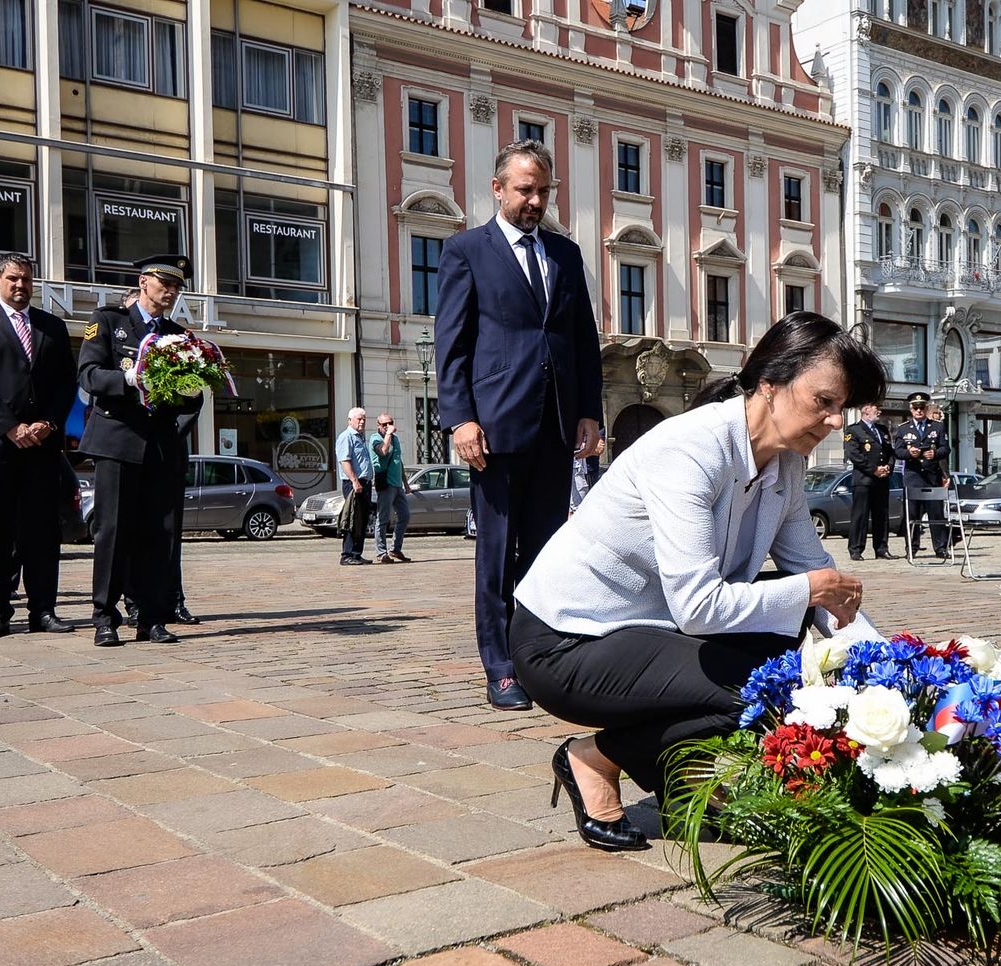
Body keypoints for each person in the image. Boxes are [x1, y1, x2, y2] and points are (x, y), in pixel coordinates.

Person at [511, 312, 882, 850]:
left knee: (789, 636)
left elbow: (819, 578)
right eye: (823, 401)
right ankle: (595, 759)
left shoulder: (785, 465)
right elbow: (699, 607)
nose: (834, 422)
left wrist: (893, 667)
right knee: (761, 685)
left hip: (647, 633)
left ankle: (681, 782)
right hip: (566, 642)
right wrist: (812, 590)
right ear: (770, 382)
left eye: (841, 407)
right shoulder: (691, 449)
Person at [435, 138, 604, 711]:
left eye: (543, 191)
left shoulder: (565, 254)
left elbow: (582, 339)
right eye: (525, 190)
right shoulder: (466, 251)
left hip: (556, 426)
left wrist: (589, 411)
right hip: (494, 429)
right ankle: (500, 667)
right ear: (498, 189)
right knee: (496, 554)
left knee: (545, 554)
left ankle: (537, 657)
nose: (535, 201)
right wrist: (460, 419)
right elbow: (452, 345)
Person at [77, 254, 205, 647]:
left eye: (177, 287)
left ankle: (150, 617)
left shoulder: (177, 336)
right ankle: (105, 617)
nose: (171, 292)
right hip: (118, 439)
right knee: (113, 531)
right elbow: (89, 375)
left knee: (158, 533)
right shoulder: (109, 320)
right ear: (143, 282)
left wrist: (190, 391)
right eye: (165, 283)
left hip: (160, 444)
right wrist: (128, 378)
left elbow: (191, 399)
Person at [0, 253, 77, 638]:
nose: (20, 285)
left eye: (26, 279)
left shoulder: (52, 326)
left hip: (43, 444)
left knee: (42, 530)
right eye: (13, 278)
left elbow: (66, 383)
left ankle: (43, 609)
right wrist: (10, 426)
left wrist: (48, 423)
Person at [892, 394, 951, 559]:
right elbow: (898, 451)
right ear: (911, 410)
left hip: (932, 477)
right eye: (915, 408)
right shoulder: (904, 428)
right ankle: (912, 547)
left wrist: (935, 453)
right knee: (912, 515)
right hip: (913, 477)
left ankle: (940, 547)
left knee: (936, 514)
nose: (919, 411)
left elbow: (946, 449)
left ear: (926, 408)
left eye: (921, 408)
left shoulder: (937, 426)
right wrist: (910, 453)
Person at [844, 401, 893, 561]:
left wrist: (888, 467)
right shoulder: (854, 430)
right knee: (860, 516)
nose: (879, 411)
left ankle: (881, 548)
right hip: (864, 480)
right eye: (876, 408)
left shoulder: (882, 430)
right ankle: (856, 549)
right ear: (866, 410)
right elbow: (854, 454)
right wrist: (874, 469)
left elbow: (889, 452)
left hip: (882, 481)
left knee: (881, 515)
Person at [369, 411, 411, 563]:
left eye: (390, 423)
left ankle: (395, 549)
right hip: (385, 483)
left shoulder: (396, 439)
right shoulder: (375, 438)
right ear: (378, 425)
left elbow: (399, 461)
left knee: (405, 516)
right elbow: (383, 451)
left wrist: (406, 483)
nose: (388, 426)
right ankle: (381, 552)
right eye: (384, 424)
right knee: (383, 519)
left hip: (397, 484)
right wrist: (388, 434)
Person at [334, 408, 373, 566]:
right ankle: (347, 554)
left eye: (364, 419)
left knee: (362, 520)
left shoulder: (361, 437)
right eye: (359, 419)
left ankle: (357, 554)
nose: (362, 422)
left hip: (365, 483)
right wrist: (355, 481)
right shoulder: (346, 437)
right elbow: (345, 461)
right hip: (354, 484)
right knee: (352, 519)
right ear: (350, 420)